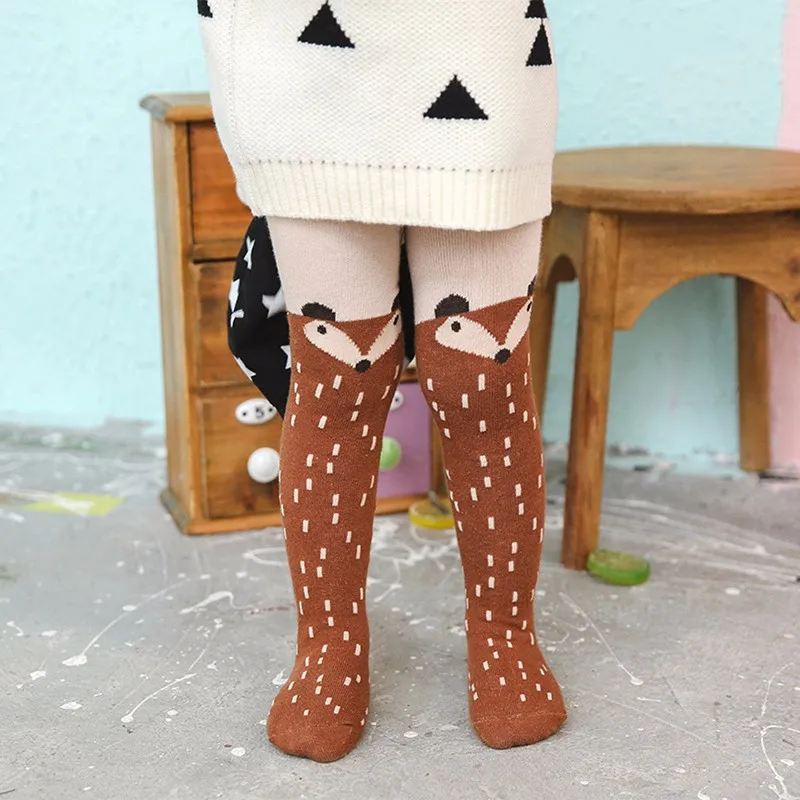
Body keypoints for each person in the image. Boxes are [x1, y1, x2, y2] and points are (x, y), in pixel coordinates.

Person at [198, 0, 566, 762]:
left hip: (480, 43)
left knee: (486, 380)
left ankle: (504, 633)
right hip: (299, 57)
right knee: (334, 384)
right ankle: (328, 644)